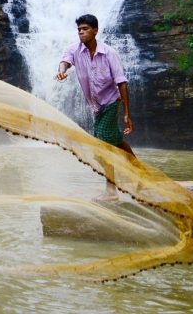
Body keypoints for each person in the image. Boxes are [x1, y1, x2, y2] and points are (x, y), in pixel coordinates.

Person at [54, 13, 134, 200]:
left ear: (95, 31)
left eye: (85, 29)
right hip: (95, 106)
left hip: (111, 102)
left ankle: (111, 190)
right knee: (115, 140)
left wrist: (126, 114)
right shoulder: (74, 50)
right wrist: (61, 72)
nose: (81, 32)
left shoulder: (109, 53)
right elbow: (64, 62)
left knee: (102, 145)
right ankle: (140, 172)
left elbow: (121, 82)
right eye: (79, 29)